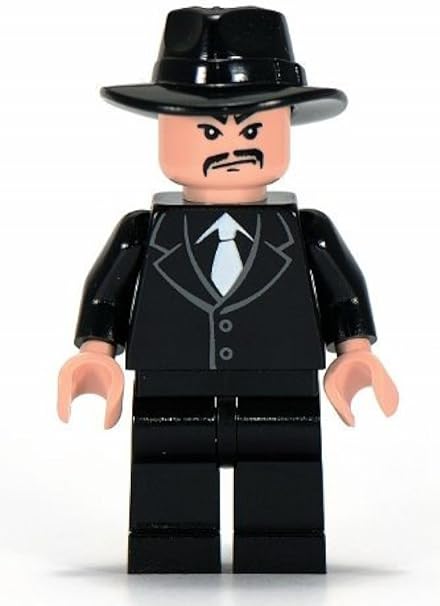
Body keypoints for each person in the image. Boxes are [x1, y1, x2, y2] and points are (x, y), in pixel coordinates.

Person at [57, 6, 398, 573]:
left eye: (254, 128)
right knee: (169, 466)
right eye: (210, 131)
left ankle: (281, 545)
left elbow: (344, 291)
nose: (234, 146)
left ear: (287, 125)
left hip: (281, 378)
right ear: (164, 127)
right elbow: (107, 293)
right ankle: (172, 544)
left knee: (284, 468)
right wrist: (96, 354)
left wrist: (355, 352)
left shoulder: (305, 229)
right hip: (171, 380)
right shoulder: (144, 230)